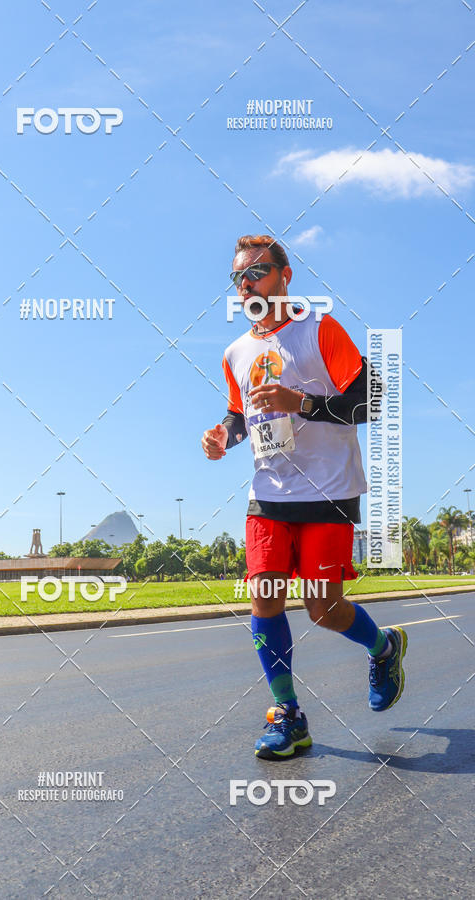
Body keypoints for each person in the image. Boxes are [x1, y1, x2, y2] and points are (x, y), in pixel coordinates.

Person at [201, 235, 407, 759]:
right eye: (239, 277)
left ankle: (383, 648)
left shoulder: (320, 330)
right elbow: (240, 413)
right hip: (268, 494)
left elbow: (372, 400)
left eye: (258, 271)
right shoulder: (235, 352)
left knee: (322, 607)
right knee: (264, 596)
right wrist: (225, 434)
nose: (247, 283)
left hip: (330, 490)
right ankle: (288, 715)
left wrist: (306, 403)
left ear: (285, 276)